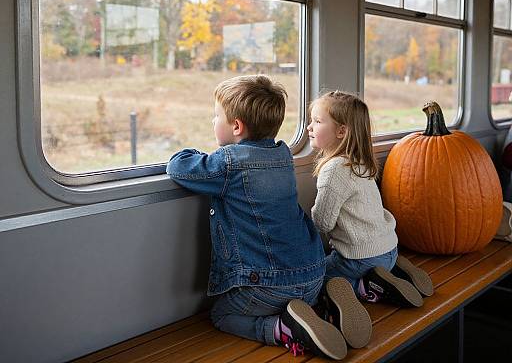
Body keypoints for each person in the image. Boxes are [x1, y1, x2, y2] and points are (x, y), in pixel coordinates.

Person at [166, 75, 347, 360]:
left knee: (222, 314)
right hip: (314, 273)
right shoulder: (283, 154)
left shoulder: (229, 163)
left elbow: (180, 167)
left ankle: (281, 328)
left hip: (269, 285)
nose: (213, 123)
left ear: (236, 126)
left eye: (216, 117)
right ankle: (322, 310)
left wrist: (190, 151)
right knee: (292, 295)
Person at [308, 91, 432, 339]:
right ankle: (394, 271)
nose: (309, 127)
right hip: (388, 247)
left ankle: (366, 287)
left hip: (358, 259)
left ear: (341, 131)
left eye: (317, 122)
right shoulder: (359, 162)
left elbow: (322, 222)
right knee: (369, 260)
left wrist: (305, 216)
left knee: (315, 278)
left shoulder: (333, 170)